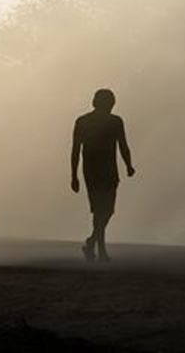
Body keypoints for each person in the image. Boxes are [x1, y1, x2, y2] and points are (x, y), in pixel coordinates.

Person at [70, 89, 135, 262]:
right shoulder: (84, 121)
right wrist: (73, 176)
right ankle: (101, 251)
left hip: (108, 170)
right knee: (100, 210)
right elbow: (76, 149)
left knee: (107, 211)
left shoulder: (115, 122)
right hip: (93, 171)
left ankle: (92, 242)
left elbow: (123, 145)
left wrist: (129, 165)